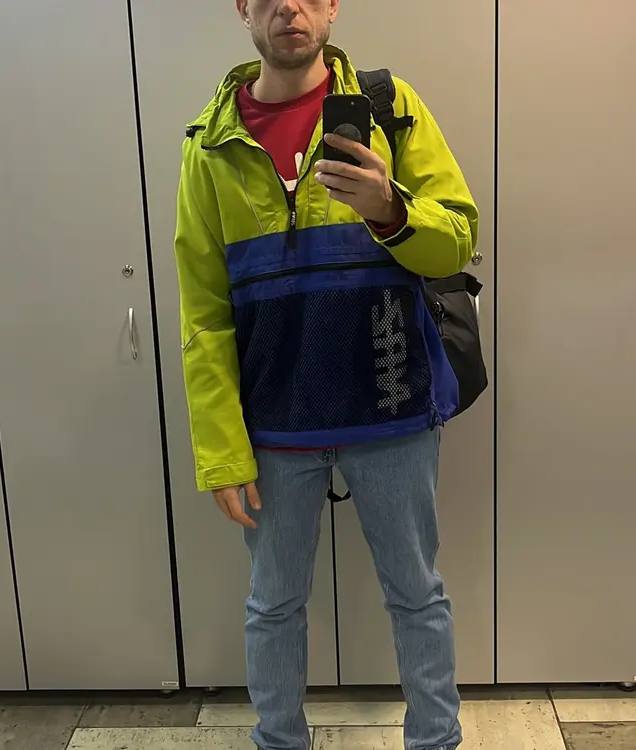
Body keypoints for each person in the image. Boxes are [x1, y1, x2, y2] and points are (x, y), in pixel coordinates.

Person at [175, 1, 478, 748]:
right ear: (243, 8)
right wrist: (221, 451)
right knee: (273, 605)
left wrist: (390, 209)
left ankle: (436, 741)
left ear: (333, 4)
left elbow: (457, 241)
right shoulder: (210, 145)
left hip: (391, 405)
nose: (290, 6)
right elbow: (204, 315)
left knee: (417, 596)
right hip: (273, 422)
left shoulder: (388, 108)